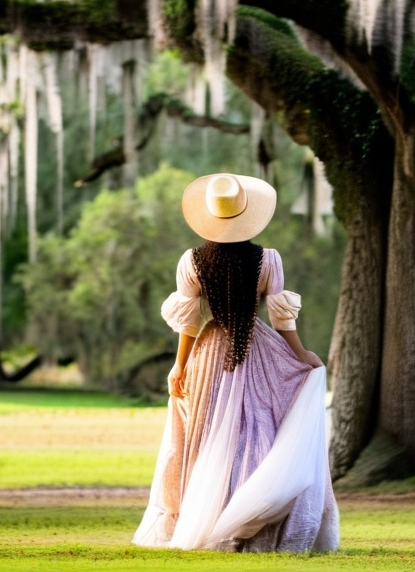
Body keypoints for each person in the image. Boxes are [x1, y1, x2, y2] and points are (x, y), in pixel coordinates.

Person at [132, 173, 340, 552]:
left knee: (207, 433)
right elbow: (282, 320)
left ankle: (208, 516)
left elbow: (189, 323)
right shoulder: (267, 259)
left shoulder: (193, 260)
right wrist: (301, 355)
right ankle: (249, 518)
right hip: (255, 346)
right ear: (246, 213)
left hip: (210, 352)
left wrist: (179, 365)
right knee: (259, 428)